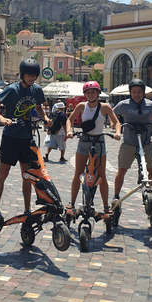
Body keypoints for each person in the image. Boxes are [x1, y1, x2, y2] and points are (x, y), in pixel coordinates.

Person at [0, 58, 52, 222]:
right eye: (29, 74)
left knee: (27, 176)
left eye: (34, 75)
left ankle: (27, 209)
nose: (32, 77)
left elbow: (38, 107)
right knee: (3, 173)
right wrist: (1, 118)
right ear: (22, 74)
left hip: (27, 137)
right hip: (10, 137)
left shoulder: (37, 90)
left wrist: (45, 118)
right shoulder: (12, 89)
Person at [65, 81, 121, 214]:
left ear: (98, 93)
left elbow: (116, 121)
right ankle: (71, 203)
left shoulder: (105, 107)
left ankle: (106, 206)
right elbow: (69, 119)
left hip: (99, 142)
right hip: (84, 141)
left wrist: (118, 133)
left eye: (93, 92)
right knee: (78, 173)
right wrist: (69, 131)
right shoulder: (81, 106)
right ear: (85, 94)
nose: (90, 95)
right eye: (88, 92)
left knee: (101, 176)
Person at [112, 79, 152, 201]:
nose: (136, 95)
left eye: (139, 92)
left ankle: (151, 197)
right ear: (130, 92)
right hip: (129, 143)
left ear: (144, 92)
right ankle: (116, 196)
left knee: (149, 172)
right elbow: (112, 114)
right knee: (122, 170)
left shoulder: (151, 105)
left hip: (146, 142)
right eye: (134, 92)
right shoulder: (123, 105)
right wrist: (115, 124)